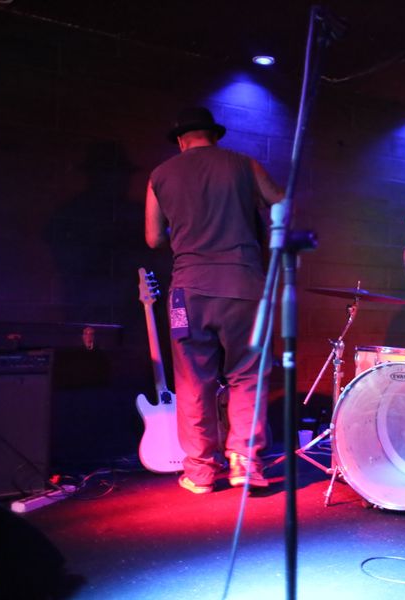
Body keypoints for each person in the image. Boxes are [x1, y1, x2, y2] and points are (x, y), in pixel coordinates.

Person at [145, 106, 284, 493]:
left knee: (192, 380)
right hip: (243, 285)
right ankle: (245, 463)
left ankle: (201, 472)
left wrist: (185, 227)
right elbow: (281, 202)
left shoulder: (160, 175)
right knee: (248, 374)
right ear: (214, 135)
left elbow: (153, 238)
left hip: (187, 292)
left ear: (181, 140)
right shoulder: (243, 164)